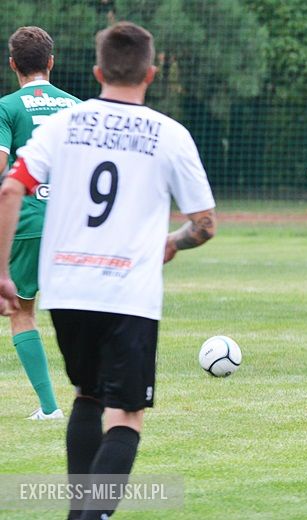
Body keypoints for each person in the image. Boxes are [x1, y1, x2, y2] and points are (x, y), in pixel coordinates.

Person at [0, 22, 216, 518]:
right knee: (127, 415)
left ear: (98, 71)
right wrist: (173, 242)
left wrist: (1, 272)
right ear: (152, 72)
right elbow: (203, 225)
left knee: (87, 395)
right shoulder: (170, 134)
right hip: (128, 291)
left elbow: (11, 188)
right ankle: (89, 515)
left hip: (68, 289)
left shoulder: (64, 126)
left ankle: (81, 511)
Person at [0, 26, 80, 420]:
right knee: (81, 312)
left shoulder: (7, 107)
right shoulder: (77, 107)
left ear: (13, 64)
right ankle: (94, 398)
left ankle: (49, 408)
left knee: (22, 312)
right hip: (73, 223)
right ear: (51, 61)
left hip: (29, 220)